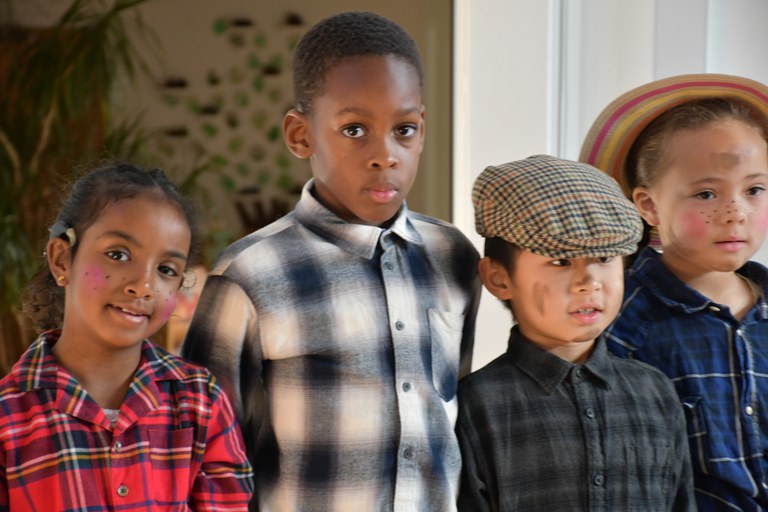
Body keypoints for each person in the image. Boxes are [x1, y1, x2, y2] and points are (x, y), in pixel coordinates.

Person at [181, 11, 481, 512]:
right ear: (301, 135)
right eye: (355, 129)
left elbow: (459, 412)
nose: (385, 155)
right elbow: (204, 453)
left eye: (404, 129)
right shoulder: (249, 276)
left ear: (423, 129)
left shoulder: (453, 255)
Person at [0, 162, 254, 510]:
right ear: (61, 260)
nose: (144, 285)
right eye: (118, 255)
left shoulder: (201, 401)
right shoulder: (8, 417)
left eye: (166, 270)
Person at [456, 155, 695, 511]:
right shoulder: (477, 404)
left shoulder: (656, 392)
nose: (589, 282)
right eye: (561, 261)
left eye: (604, 258)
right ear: (498, 278)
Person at [580, 73, 768, 511]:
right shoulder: (617, 317)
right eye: (706, 193)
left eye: (755, 189)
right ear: (648, 206)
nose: (736, 213)